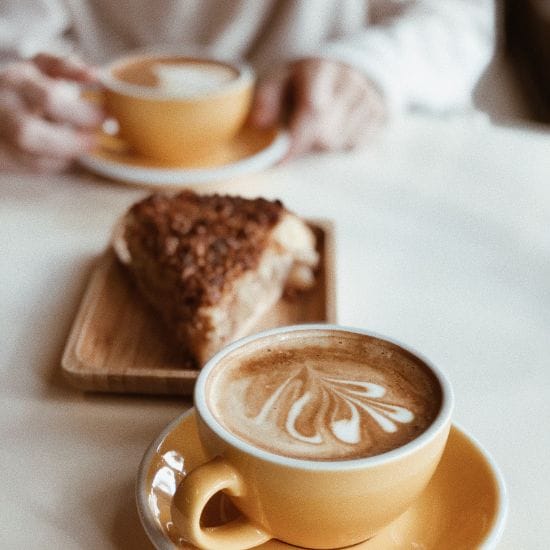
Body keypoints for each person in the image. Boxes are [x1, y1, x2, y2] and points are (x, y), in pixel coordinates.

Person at [0, 0, 494, 173]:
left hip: (332, 157)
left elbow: (462, 19)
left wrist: (375, 66)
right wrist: (16, 86)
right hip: (88, 176)